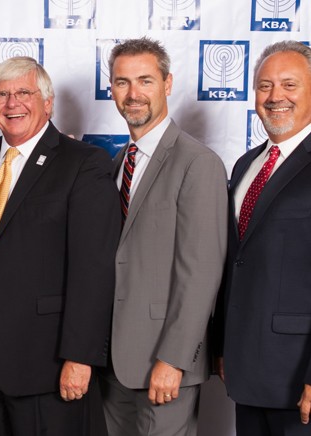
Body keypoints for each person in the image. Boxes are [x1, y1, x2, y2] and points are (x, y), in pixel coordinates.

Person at [0, 56, 119, 435]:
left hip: (49, 363)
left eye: (24, 92)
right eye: (1, 94)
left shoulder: (83, 163)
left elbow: (94, 268)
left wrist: (80, 356)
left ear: (48, 102)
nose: (12, 103)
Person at [97, 38, 228, 436]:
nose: (133, 94)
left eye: (145, 81)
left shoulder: (197, 163)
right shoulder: (119, 162)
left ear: (167, 84)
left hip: (163, 362)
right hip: (114, 360)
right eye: (122, 82)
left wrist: (174, 361)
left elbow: (201, 273)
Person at [216, 40, 311, 435]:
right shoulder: (245, 165)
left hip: (309, 383)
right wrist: (223, 346)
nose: (275, 97)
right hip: (247, 375)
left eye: (289, 85)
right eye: (265, 86)